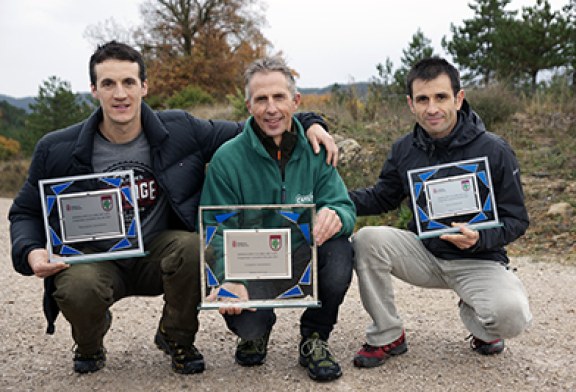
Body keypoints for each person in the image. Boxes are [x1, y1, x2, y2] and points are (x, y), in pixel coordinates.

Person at [8, 41, 338, 375]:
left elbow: (256, 127)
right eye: (108, 84)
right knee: (79, 289)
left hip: (158, 252)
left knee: (197, 245)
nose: (120, 94)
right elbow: (25, 212)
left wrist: (310, 121)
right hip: (97, 259)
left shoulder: (180, 130)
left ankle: (177, 337)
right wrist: (31, 251)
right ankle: (90, 343)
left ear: (144, 86)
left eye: (129, 82)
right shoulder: (57, 148)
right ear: (94, 89)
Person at [350, 57, 532, 368]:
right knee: (366, 239)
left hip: (478, 258)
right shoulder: (403, 150)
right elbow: (382, 197)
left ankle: (478, 315)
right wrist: (333, 199)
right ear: (411, 104)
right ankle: (388, 334)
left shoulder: (494, 149)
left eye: (441, 97)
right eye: (423, 99)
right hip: (425, 253)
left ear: (458, 98)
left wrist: (478, 239)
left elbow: (517, 220)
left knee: (511, 317)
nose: (432, 108)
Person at [199, 56, 356, 382]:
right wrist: (227, 278)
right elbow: (216, 226)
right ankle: (255, 334)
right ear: (249, 105)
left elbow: (343, 205)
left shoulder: (317, 150)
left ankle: (315, 337)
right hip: (252, 263)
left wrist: (336, 215)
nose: (271, 108)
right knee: (248, 320)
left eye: (279, 98)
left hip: (303, 255)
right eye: (261, 99)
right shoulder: (227, 159)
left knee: (340, 250)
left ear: (295, 101)